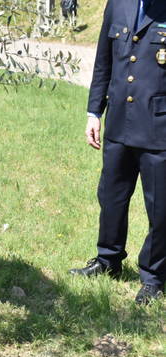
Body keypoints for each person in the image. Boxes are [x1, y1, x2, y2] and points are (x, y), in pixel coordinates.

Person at [70, 0, 166, 304]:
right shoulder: (118, 4)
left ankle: (153, 276)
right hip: (119, 124)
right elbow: (103, 61)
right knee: (110, 197)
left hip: (159, 128)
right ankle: (107, 260)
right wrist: (93, 112)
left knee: (161, 208)